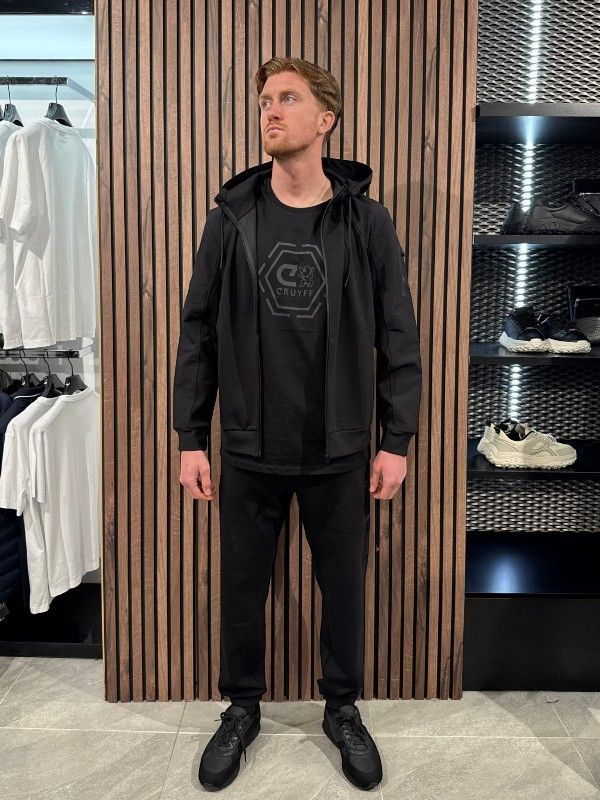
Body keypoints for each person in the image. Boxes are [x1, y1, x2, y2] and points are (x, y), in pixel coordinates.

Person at [172, 56, 422, 793]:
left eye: (287, 98)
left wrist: (396, 440)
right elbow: (197, 332)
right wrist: (190, 437)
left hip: (339, 448)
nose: (270, 111)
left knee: (343, 590)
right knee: (241, 590)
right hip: (250, 445)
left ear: (325, 120)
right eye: (264, 100)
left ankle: (342, 709)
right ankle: (241, 709)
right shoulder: (231, 218)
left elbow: (399, 336)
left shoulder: (366, 222)